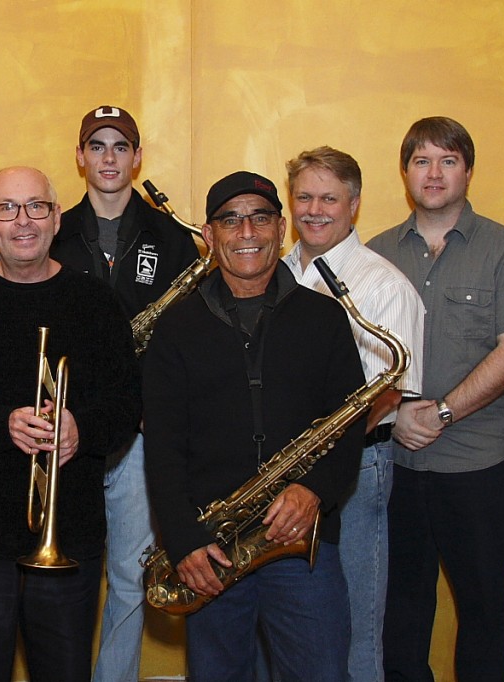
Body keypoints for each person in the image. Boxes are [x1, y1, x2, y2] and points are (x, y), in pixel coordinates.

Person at [0, 166, 141, 682]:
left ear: (57, 218)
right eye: (6, 209)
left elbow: (127, 402)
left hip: (71, 536)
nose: (23, 221)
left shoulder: (96, 303)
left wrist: (82, 429)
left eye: (37, 206)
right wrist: (2, 426)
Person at [143, 171, 365, 681]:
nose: (246, 232)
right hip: (211, 549)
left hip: (300, 540)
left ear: (280, 228)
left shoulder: (325, 317)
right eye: (230, 220)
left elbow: (348, 424)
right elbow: (164, 446)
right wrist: (182, 541)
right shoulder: (175, 327)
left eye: (260, 218)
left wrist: (315, 490)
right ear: (209, 233)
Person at [367, 116, 504, 682]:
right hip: (393, 465)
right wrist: (394, 416)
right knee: (399, 615)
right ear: (404, 172)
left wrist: (440, 412)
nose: (435, 173)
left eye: (448, 160)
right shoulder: (374, 254)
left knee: (485, 610)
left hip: (478, 464)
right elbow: (354, 359)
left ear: (468, 170)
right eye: (422, 160)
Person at [52, 105, 200, 682]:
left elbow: (192, 336)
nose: (108, 157)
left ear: (138, 157)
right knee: (67, 571)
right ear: (81, 156)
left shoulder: (173, 238)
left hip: (142, 431)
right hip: (71, 431)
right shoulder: (50, 229)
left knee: (133, 573)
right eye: (97, 146)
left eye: (120, 146)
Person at [282, 146, 425, 681]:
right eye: (304, 197)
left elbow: (390, 393)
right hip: (276, 474)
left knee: (354, 620)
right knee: (290, 622)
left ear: (355, 204)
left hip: (356, 470)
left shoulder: (382, 285)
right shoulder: (275, 272)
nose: (314, 209)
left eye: (329, 198)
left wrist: (323, 460)